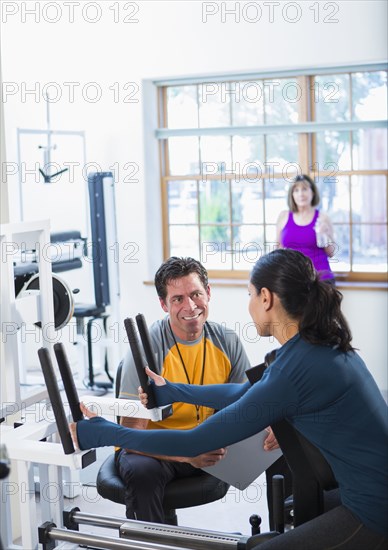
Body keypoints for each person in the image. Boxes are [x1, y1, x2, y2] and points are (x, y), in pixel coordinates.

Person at [73, 249, 388, 549]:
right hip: (363, 490)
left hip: (373, 510)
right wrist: (173, 390)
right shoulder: (312, 344)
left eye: (250, 295)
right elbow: (245, 393)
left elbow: (194, 441)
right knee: (296, 509)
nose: (248, 305)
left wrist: (101, 433)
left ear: (266, 298)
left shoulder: (294, 366)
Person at [116, 256, 252, 523]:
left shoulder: (227, 341)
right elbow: (129, 437)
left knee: (284, 441)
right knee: (141, 471)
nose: (190, 306)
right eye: (177, 299)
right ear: (163, 304)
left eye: (196, 294)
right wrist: (187, 453)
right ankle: (154, 544)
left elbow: (248, 405)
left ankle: (288, 536)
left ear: (208, 293)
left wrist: (271, 430)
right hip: (157, 450)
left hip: (211, 444)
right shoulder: (146, 348)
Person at [277, 174, 335, 282]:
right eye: (296, 190)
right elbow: (278, 250)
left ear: (312, 192)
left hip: (320, 280)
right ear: (292, 195)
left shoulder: (323, 218)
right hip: (293, 280)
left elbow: (331, 253)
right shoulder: (283, 216)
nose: (301, 194)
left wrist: (325, 235)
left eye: (304, 189)